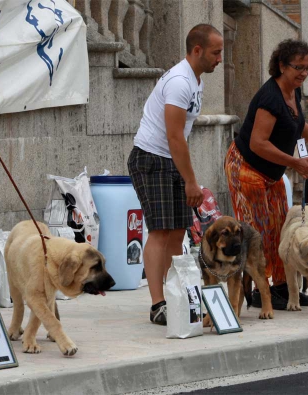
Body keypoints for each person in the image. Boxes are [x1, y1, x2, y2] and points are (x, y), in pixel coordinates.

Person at [224, 39, 308, 310]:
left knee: (280, 229)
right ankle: (258, 290)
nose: (303, 73)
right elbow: (258, 143)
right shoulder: (270, 98)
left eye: (307, 68)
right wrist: (295, 163)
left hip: (271, 172)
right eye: (297, 67)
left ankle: (281, 287)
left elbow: (297, 125)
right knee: (258, 232)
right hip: (246, 169)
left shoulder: (294, 91)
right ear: (281, 65)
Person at [127, 24, 223, 325]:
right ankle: (158, 303)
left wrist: (186, 176)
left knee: (179, 230)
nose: (219, 58)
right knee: (160, 231)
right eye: (215, 52)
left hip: (170, 160)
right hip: (151, 158)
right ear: (197, 50)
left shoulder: (196, 80)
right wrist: (191, 181)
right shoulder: (180, 81)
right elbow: (174, 136)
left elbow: (180, 138)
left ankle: (173, 292)